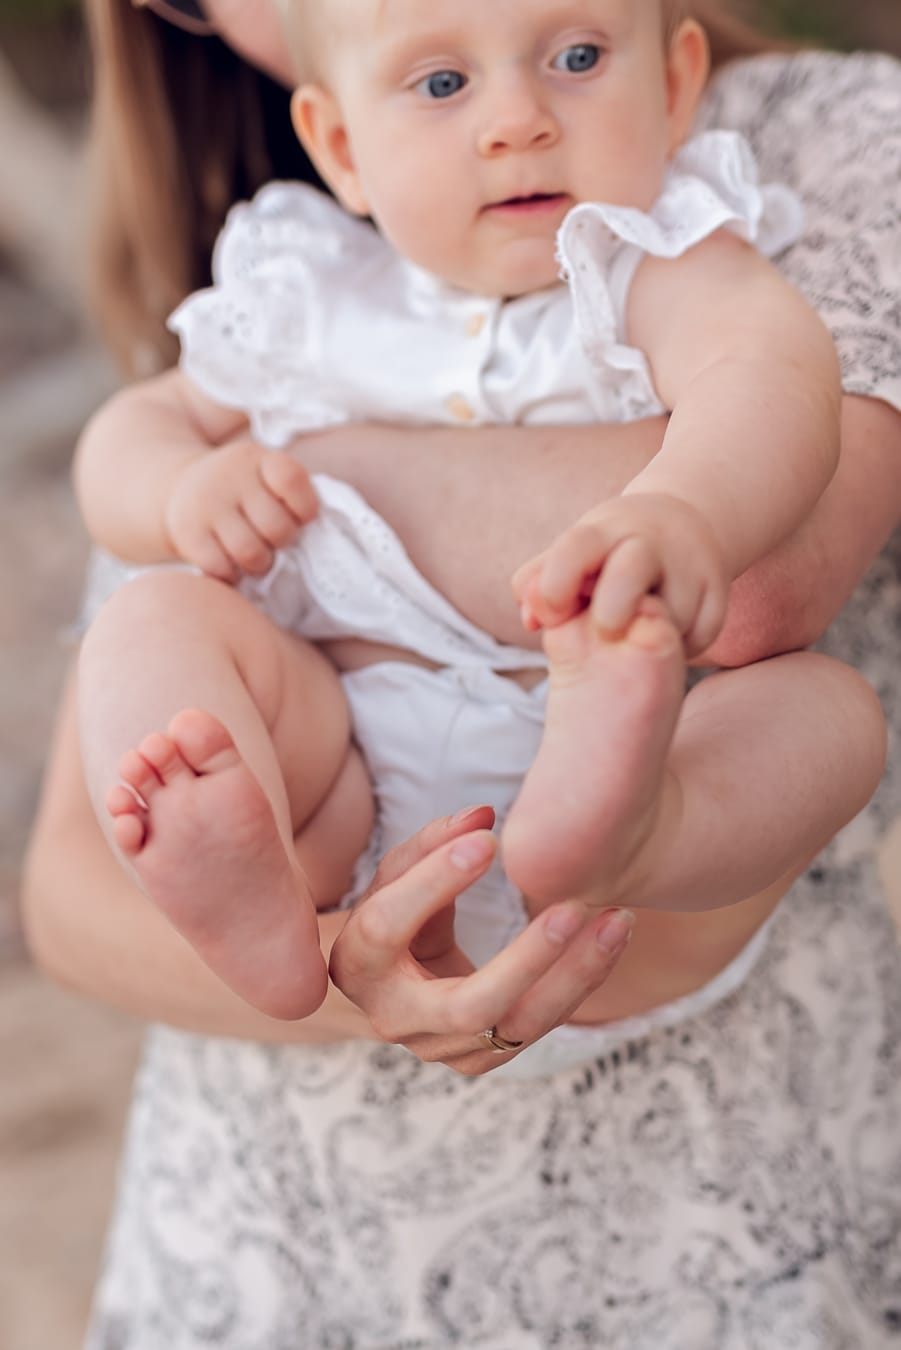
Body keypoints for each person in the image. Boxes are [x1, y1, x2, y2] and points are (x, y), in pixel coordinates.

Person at [21, 0, 901, 1343]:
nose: (515, 118)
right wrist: (182, 483)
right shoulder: (294, 282)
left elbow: (764, 385)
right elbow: (126, 447)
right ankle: (258, 888)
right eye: (440, 81)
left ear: (670, 79)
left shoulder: (660, 250)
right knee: (160, 630)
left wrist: (683, 515)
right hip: (337, 799)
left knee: (823, 719)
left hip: (641, 847)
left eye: (575, 58)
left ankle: (628, 821)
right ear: (341, 147)